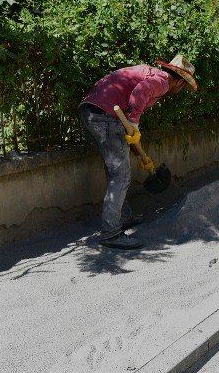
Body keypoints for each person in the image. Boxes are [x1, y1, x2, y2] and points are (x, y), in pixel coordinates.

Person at [79, 55, 199, 249]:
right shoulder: (163, 80)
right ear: (178, 80)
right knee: (121, 174)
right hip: (105, 115)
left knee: (115, 170)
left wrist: (137, 151)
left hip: (93, 110)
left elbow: (128, 125)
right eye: (183, 86)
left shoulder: (151, 73)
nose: (180, 89)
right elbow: (140, 93)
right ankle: (110, 233)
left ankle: (123, 217)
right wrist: (134, 121)